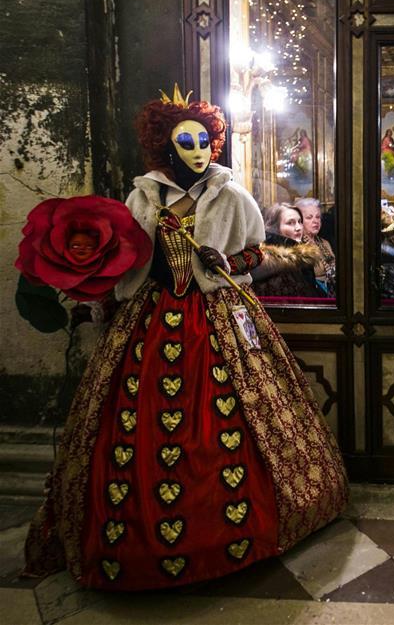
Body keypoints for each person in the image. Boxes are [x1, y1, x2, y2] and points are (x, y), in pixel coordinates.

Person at [24, 86, 348, 590]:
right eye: (185, 142)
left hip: (216, 312)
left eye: (203, 140)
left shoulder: (232, 193)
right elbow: (124, 254)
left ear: (213, 142)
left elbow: (257, 253)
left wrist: (226, 262)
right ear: (166, 146)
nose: (197, 150)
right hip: (151, 315)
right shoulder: (143, 195)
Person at [251, 203, 319, 298]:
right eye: (290, 223)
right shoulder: (273, 263)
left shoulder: (301, 256)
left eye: (299, 222)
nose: (298, 228)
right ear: (275, 228)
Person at [294, 197, 336, 296]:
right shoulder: (297, 246)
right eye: (309, 217)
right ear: (300, 220)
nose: (315, 221)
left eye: (317, 217)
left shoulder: (325, 243)